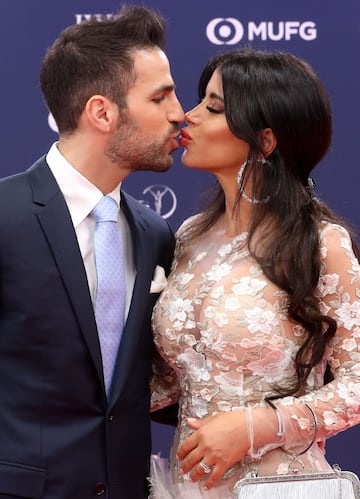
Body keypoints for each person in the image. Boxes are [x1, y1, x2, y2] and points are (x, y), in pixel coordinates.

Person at [150, 48, 360, 498]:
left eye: (214, 107)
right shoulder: (188, 236)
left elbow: (357, 383)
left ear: (266, 140)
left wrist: (256, 426)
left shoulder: (321, 243)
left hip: (280, 485)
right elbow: (181, 372)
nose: (190, 116)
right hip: (189, 484)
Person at [0, 5, 184, 499]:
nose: (179, 113)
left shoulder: (155, 234)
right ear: (102, 112)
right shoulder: (4, 216)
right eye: (161, 96)